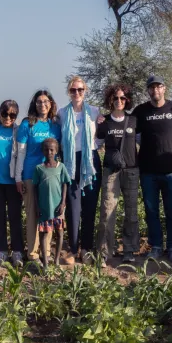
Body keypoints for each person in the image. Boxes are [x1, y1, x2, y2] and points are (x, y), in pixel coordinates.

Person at [133, 75, 172, 262]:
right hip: (148, 171)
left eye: (158, 87)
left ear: (164, 88)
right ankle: (155, 246)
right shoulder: (141, 111)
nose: (155, 91)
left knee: (171, 211)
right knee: (151, 211)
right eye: (151, 87)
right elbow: (127, 128)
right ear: (148, 90)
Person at [11, 89, 62, 265]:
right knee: (33, 216)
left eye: (46, 101)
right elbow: (21, 153)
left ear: (51, 104)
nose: (43, 105)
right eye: (39, 102)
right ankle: (33, 255)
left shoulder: (55, 125)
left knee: (48, 215)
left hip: (50, 178)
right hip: (30, 176)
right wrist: (18, 178)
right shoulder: (27, 124)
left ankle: (46, 253)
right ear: (35, 104)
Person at [58, 76, 102, 264]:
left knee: (90, 208)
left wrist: (93, 148)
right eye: (73, 90)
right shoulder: (61, 113)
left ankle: (86, 249)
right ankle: (73, 249)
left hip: (89, 162)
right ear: (69, 92)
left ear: (86, 91)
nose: (77, 93)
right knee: (73, 209)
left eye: (80, 90)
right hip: (70, 162)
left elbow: (101, 137)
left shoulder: (94, 111)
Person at [95, 84, 140, 261]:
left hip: (131, 170)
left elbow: (142, 142)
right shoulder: (104, 121)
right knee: (107, 211)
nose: (119, 101)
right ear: (110, 100)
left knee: (131, 211)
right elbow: (96, 145)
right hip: (110, 171)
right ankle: (104, 252)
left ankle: (129, 250)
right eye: (116, 98)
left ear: (127, 100)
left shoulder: (134, 120)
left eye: (122, 98)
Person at [0, 100, 24, 267]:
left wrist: (20, 178)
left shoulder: (19, 131)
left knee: (15, 216)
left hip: (13, 181)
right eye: (5, 114)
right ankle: (1, 250)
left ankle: (17, 251)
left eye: (12, 115)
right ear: (0, 113)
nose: (8, 118)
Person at [31, 138, 69, 266]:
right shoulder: (39, 168)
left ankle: (57, 260)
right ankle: (46, 262)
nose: (49, 152)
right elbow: (34, 188)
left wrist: (63, 202)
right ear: (43, 151)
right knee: (44, 233)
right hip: (44, 206)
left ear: (56, 151)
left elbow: (65, 184)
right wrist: (37, 206)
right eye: (46, 149)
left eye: (52, 149)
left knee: (59, 232)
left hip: (58, 207)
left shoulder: (61, 167)